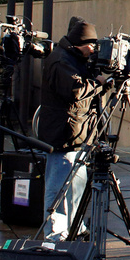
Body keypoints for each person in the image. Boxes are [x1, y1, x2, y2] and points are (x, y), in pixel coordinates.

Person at [38, 20, 108, 240]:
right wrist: (98, 83)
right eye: (91, 46)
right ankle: (55, 234)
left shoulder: (74, 57)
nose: (93, 50)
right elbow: (76, 90)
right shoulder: (61, 61)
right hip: (63, 135)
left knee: (76, 185)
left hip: (77, 134)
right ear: (80, 43)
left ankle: (75, 226)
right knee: (58, 188)